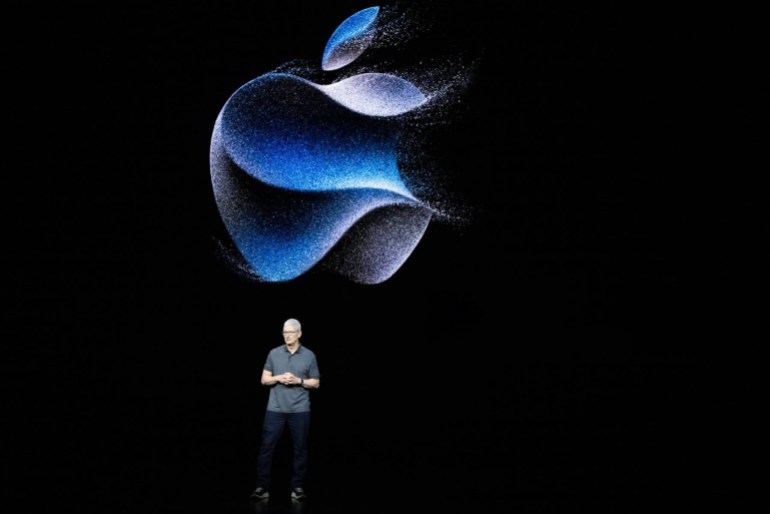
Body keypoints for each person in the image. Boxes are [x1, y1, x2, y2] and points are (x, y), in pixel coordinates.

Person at [250, 318, 320, 502]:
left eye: (290, 332)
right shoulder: (274, 353)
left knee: (300, 449)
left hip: (300, 410)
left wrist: (299, 381)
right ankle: (262, 487)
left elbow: (316, 382)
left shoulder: (309, 355)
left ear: (299, 333)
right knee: (266, 448)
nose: (287, 335)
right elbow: (264, 380)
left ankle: (297, 488)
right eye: (284, 332)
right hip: (275, 409)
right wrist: (280, 377)